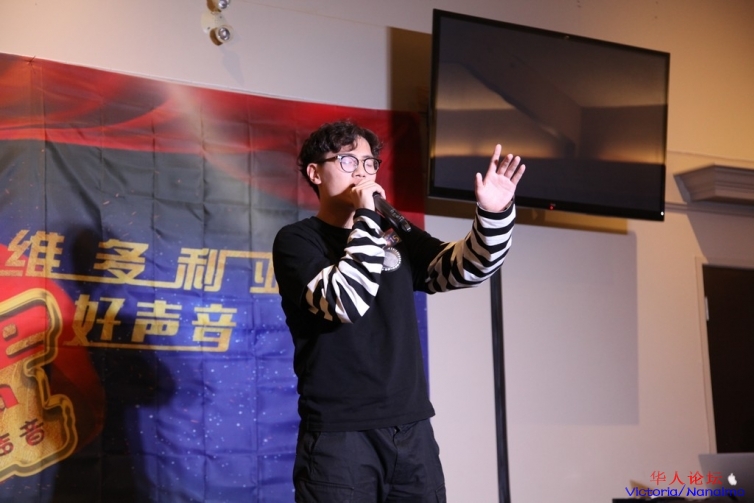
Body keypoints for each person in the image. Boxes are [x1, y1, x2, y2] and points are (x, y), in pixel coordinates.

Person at [272, 120, 525, 502]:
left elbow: (464, 269)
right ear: (315, 173)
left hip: (412, 430)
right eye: (346, 160)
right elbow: (345, 301)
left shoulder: (395, 235)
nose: (361, 171)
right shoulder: (297, 241)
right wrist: (368, 216)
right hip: (340, 437)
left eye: (369, 163)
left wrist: (493, 214)